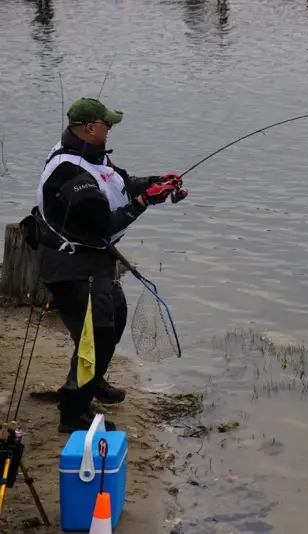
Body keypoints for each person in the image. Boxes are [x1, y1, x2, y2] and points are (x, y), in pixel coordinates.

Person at [27, 96, 187, 433]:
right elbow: (103, 225)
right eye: (106, 124)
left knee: (115, 317)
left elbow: (122, 183)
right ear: (89, 128)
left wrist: (156, 182)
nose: (110, 129)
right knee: (96, 336)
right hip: (70, 267)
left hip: (94, 263)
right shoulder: (70, 172)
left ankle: (92, 381)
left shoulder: (91, 156)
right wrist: (145, 201)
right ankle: (73, 414)